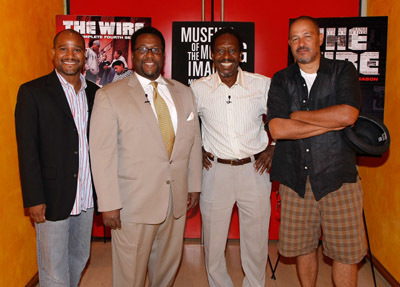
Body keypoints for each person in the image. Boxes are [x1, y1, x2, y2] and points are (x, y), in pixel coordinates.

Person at [89, 26, 202, 286]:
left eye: (155, 49)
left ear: (163, 54)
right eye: (142, 49)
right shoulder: (109, 96)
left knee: (166, 273)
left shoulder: (184, 92)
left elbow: (194, 142)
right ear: (132, 54)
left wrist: (194, 185)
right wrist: (108, 204)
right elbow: (102, 154)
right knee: (130, 278)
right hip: (132, 206)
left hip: (176, 202)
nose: (149, 55)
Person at [266, 16, 366, 287]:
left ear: (320, 38)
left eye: (307, 36)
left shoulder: (343, 70)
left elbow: (348, 114)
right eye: (295, 38)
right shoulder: (281, 79)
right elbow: (277, 129)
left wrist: (298, 116)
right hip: (296, 180)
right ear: (289, 44)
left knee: (345, 253)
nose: (301, 43)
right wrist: (329, 124)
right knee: (303, 248)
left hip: (338, 178)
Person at [190, 27, 274, 287]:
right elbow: (187, 127)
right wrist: (197, 149)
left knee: (257, 241)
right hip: (215, 172)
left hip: (255, 171)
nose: (226, 55)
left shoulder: (262, 84)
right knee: (214, 243)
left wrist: (275, 147)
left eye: (232, 50)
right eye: (220, 50)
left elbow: (282, 119)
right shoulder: (198, 88)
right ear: (212, 55)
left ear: (241, 54)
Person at [15, 29, 99, 286]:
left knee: (78, 257)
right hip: (51, 197)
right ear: (53, 53)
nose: (70, 55)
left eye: (76, 50)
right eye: (63, 48)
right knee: (53, 268)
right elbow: (27, 150)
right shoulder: (33, 92)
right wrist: (34, 198)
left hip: (86, 196)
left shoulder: (96, 93)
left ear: (85, 56)